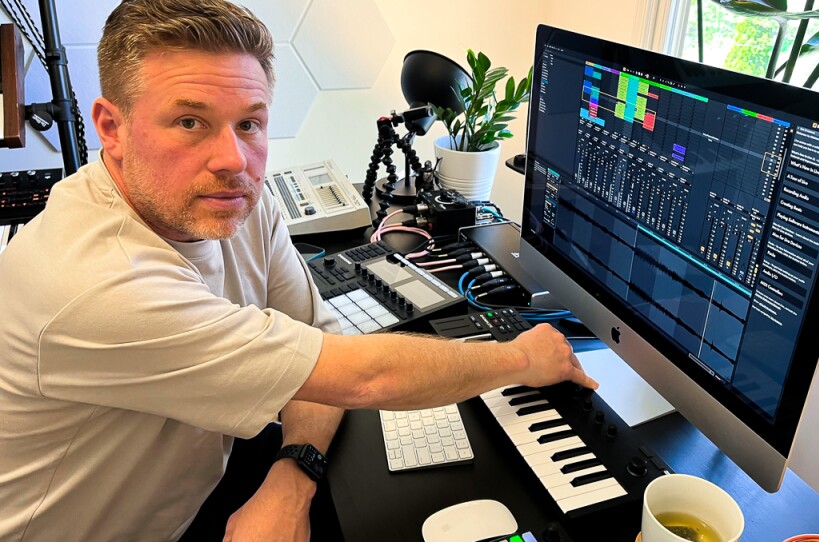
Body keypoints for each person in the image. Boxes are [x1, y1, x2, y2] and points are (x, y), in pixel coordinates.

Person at [0, 1, 597, 541]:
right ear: (112, 127)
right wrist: (521, 358)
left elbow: (321, 343)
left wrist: (294, 474)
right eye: (190, 122)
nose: (232, 160)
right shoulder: (96, 283)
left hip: (204, 486)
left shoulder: (235, 202)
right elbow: (363, 379)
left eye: (250, 123)